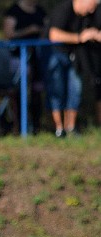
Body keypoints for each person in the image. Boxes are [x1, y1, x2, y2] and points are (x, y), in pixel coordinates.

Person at [46, 0, 101, 136]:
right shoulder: (64, 9)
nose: (92, 10)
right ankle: (58, 128)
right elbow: (53, 35)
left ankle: (70, 127)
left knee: (75, 90)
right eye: (92, 5)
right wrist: (79, 37)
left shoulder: (87, 15)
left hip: (74, 56)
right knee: (57, 90)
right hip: (55, 54)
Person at [3, 0, 48, 134]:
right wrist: (28, 30)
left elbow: (48, 29)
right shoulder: (13, 11)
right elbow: (8, 34)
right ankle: (18, 126)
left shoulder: (40, 10)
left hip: (37, 58)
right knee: (18, 93)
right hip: (18, 58)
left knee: (37, 92)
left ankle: (36, 126)